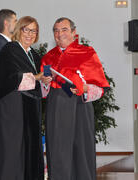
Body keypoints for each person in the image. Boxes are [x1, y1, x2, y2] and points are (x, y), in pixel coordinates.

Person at [41, 17, 110, 180]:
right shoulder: (48, 57)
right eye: (56, 31)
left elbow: (101, 89)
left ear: (73, 32)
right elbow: (44, 92)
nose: (59, 34)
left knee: (81, 152)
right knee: (57, 151)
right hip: (55, 107)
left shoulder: (87, 53)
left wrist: (85, 88)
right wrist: (44, 83)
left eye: (64, 29)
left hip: (78, 107)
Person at [0, 16, 51, 180]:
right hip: (14, 107)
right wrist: (36, 77)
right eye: (26, 29)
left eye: (34, 31)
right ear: (19, 30)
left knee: (31, 147)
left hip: (32, 105)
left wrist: (45, 81)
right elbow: (11, 78)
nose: (30, 34)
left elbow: (41, 82)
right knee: (14, 148)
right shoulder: (9, 49)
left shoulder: (34, 54)